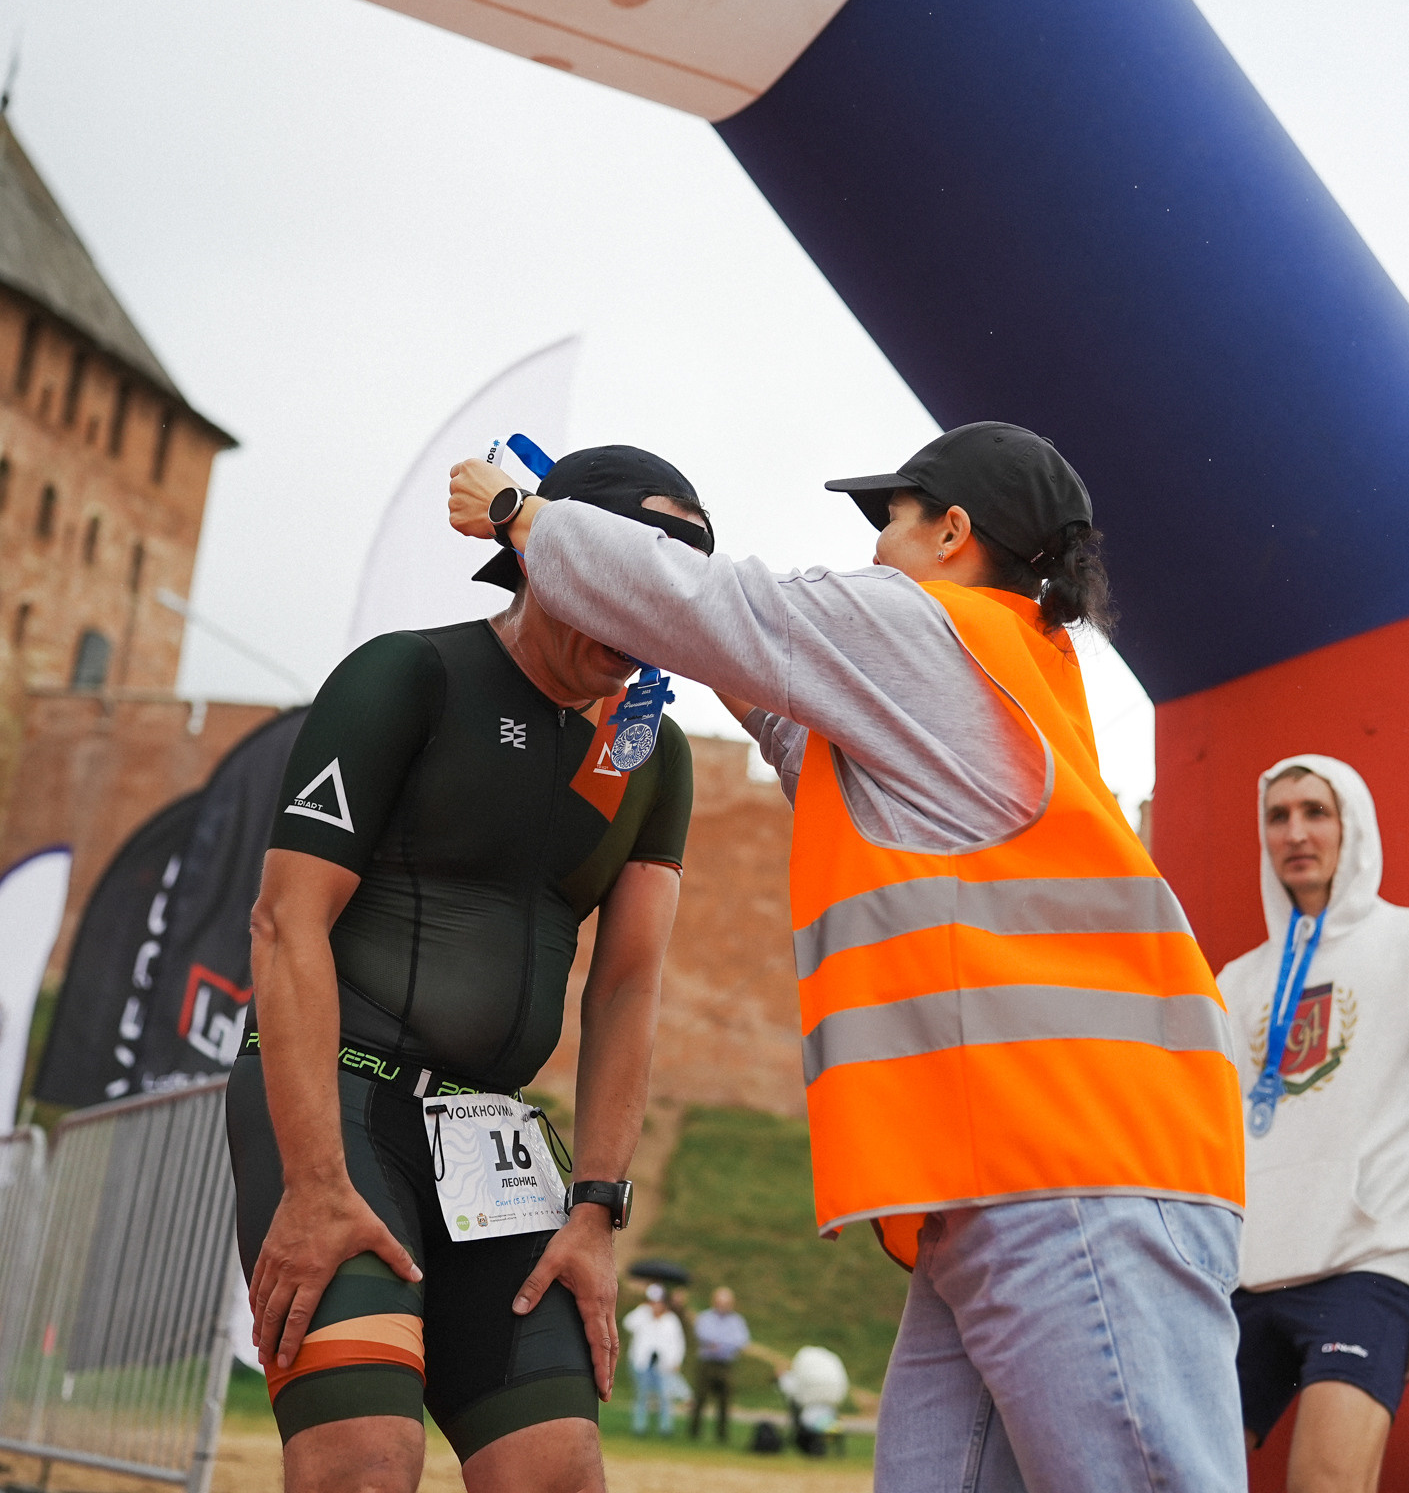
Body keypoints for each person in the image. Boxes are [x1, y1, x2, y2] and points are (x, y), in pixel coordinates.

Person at [449, 420, 1246, 1493]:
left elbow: (732, 616)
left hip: (1075, 1173)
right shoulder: (994, 665)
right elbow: (772, 690)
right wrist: (655, 594)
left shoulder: (934, 629)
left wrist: (527, 520)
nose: (873, 551)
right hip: (1011, 1184)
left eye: (893, 522)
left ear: (954, 531)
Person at [232, 446, 713, 1493]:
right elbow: (285, 922)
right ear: (546, 557)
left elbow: (627, 987)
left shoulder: (653, 755)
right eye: (616, 594)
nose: (633, 638)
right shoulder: (409, 675)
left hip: (491, 1142)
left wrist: (595, 1210)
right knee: (364, 1462)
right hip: (343, 1108)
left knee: (556, 1472)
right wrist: (314, 1180)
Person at [1215, 757, 1409, 1493]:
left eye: (1316, 811)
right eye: (1277, 817)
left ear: (1355, 824)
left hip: (1366, 1268)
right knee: (1168, 1476)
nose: (1296, 832)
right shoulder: (1236, 981)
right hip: (1243, 1279)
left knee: (1324, 1487)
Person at [688, 1285, 749, 1442]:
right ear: (714, 1302)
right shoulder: (706, 1318)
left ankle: (722, 1435)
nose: (723, 1306)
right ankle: (694, 1432)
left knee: (724, 1401)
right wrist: (725, 1343)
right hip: (707, 1363)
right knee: (700, 1398)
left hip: (726, 1365)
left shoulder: (737, 1321)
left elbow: (741, 1341)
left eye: (726, 1302)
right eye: (720, 1302)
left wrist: (720, 1344)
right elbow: (704, 1335)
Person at [623, 1283, 686, 1435]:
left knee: (665, 1396)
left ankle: (665, 1428)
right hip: (642, 1363)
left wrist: (676, 1361)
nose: (655, 1305)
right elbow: (627, 1324)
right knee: (642, 1395)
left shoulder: (671, 1321)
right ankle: (639, 1427)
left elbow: (678, 1343)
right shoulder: (642, 1315)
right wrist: (642, 1310)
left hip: (663, 1365)